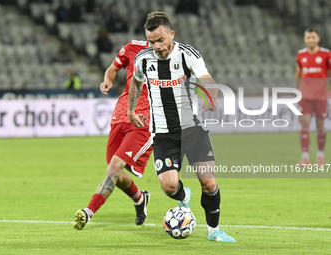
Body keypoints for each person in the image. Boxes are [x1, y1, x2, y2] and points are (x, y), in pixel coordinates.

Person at [128, 11, 236, 242]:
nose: (157, 46)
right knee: (169, 186)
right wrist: (131, 110)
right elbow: (136, 82)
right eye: (152, 42)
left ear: (171, 34)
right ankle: (183, 194)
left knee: (208, 183)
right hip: (163, 134)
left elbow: (206, 78)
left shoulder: (188, 54)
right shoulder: (143, 59)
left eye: (160, 40)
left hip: (192, 129)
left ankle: (214, 231)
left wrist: (211, 95)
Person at [74, 39, 152, 230]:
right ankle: (140, 199)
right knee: (114, 173)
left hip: (144, 119)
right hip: (120, 116)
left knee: (115, 167)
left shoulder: (173, 56)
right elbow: (112, 69)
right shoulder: (132, 47)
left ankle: (88, 211)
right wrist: (108, 80)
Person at [295, 28, 330, 166]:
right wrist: (298, 91)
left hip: (321, 95)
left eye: (313, 37)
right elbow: (298, 73)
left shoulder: (326, 54)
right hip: (306, 95)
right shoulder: (301, 55)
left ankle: (320, 156)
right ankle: (305, 158)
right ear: (305, 39)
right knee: (305, 124)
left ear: (318, 39)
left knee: (320, 126)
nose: (311, 40)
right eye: (308, 37)